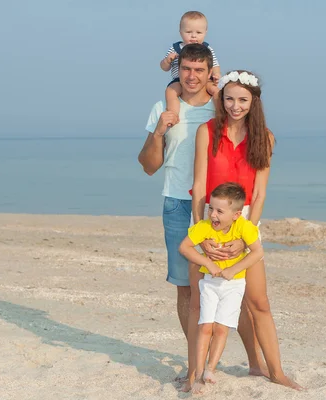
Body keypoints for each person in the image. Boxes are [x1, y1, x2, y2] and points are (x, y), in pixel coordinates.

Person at [187, 70, 302, 391]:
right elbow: (198, 187)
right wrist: (203, 234)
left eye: (243, 100)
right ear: (221, 100)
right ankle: (194, 374)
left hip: (247, 223)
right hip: (208, 222)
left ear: (254, 102)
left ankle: (275, 371)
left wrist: (243, 236)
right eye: (229, 98)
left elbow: (261, 193)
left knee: (258, 302)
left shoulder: (264, 137)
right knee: (201, 303)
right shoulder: (206, 131)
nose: (235, 106)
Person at [138, 43, 217, 381]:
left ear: (208, 71)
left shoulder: (220, 108)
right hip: (176, 202)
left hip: (216, 206)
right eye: (186, 69)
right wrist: (159, 132)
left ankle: (213, 362)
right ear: (178, 70)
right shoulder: (162, 108)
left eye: (199, 70)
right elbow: (148, 166)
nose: (192, 76)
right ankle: (195, 362)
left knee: (218, 285)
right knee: (185, 288)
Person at [179, 182, 264, 394]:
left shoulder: (244, 227)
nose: (213, 215)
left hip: (234, 286)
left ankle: (210, 369)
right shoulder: (204, 227)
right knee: (205, 327)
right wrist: (207, 263)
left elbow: (257, 252)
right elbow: (184, 247)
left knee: (221, 328)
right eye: (210, 208)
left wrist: (234, 269)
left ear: (236, 214)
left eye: (219, 211)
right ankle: (198, 374)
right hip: (209, 285)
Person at [160, 11, 220, 120]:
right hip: (179, 80)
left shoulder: (207, 49)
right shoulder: (175, 48)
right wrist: (167, 61)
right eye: (188, 32)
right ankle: (173, 114)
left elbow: (215, 64)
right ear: (180, 32)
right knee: (170, 92)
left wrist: (216, 75)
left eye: (198, 32)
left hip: (205, 80)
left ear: (205, 32)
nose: (193, 36)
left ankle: (220, 113)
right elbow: (164, 68)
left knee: (216, 91)